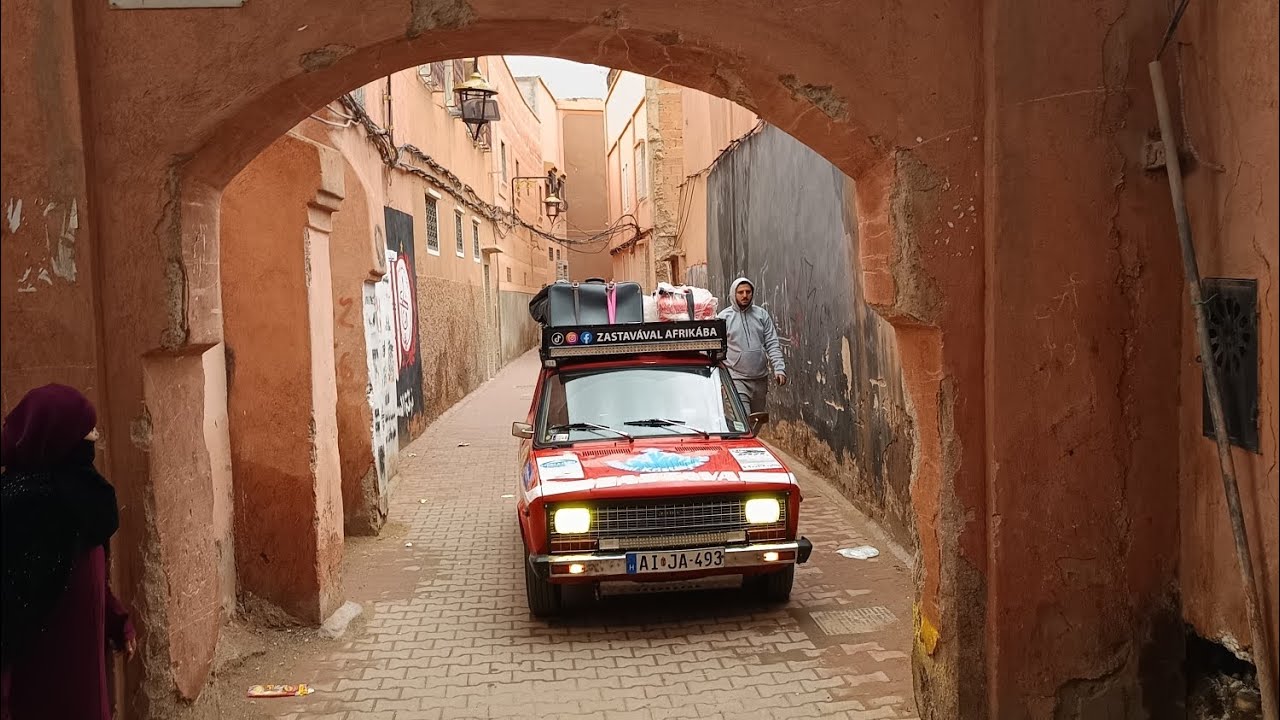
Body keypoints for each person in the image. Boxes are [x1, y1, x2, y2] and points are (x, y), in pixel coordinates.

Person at [1, 385, 134, 720]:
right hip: (39, 688)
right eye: (86, 430)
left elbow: (92, 578)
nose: (95, 436)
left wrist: (118, 622)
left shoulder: (81, 503)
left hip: (86, 681)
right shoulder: (21, 512)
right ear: (57, 440)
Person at [718, 277, 787, 414]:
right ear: (733, 294)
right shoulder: (723, 318)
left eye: (748, 292)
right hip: (735, 379)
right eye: (740, 292)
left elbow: (772, 343)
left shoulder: (761, 315)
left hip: (760, 379)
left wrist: (779, 368)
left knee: (757, 420)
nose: (745, 295)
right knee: (744, 420)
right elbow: (717, 349)